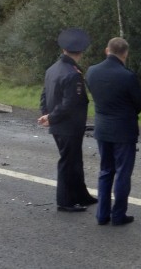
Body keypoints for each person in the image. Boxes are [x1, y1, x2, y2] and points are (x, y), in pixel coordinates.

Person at [85, 37, 141, 226]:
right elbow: (138, 103)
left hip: (103, 128)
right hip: (124, 131)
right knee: (122, 173)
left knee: (105, 171)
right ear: (125, 53)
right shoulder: (127, 76)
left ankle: (102, 214)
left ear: (107, 50)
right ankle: (118, 215)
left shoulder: (91, 71)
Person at [38, 28, 98, 212]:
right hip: (68, 125)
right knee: (68, 162)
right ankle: (65, 202)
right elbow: (69, 103)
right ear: (80, 51)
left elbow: (44, 95)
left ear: (64, 49)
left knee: (75, 160)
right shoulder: (72, 73)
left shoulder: (52, 69)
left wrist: (46, 115)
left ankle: (81, 195)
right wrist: (52, 117)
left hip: (59, 124)